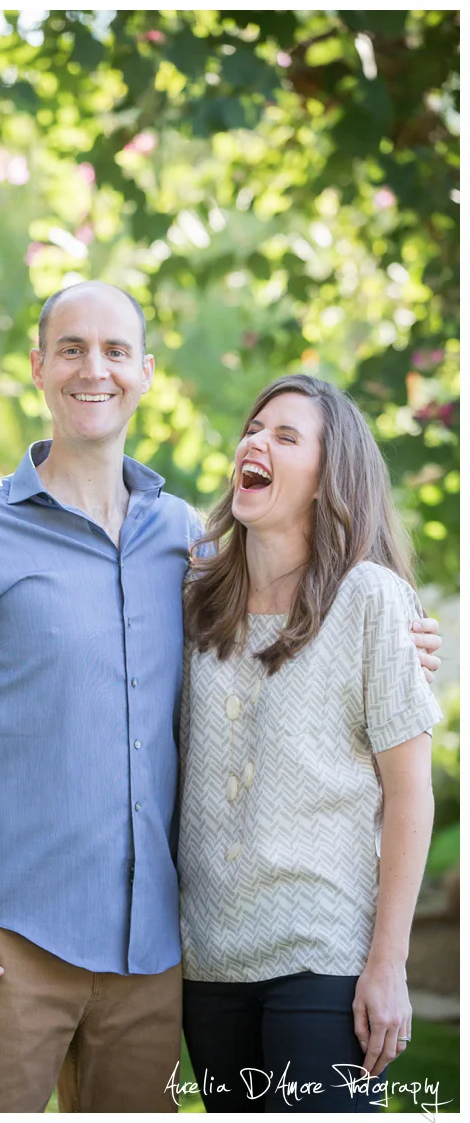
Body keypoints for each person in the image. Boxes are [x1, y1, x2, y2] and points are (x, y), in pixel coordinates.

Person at [0, 281, 441, 1112]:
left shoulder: (186, 549)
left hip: (152, 963)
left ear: (145, 373)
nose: (94, 368)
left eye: (115, 350)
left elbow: (308, 619)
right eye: (71, 348)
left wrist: (405, 640)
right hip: (0, 948)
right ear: (37, 368)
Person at [177, 375, 440, 1112]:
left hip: (324, 960)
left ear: (329, 480)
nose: (254, 443)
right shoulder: (194, 601)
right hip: (210, 964)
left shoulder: (371, 600)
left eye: (286, 436)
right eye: (253, 429)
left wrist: (388, 963)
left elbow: (409, 795)